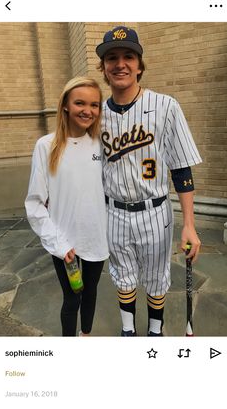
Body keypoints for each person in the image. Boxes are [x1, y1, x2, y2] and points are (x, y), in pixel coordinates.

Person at [96, 25, 202, 336]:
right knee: (122, 275)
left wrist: (190, 224)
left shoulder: (166, 106)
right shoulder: (96, 115)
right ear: (103, 68)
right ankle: (128, 329)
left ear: (140, 65)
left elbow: (181, 169)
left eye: (129, 56)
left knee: (157, 276)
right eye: (112, 58)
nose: (120, 64)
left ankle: (156, 329)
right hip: (113, 212)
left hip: (155, 212)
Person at [25, 76, 109, 336]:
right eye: (80, 103)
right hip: (64, 243)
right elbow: (35, 203)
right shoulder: (46, 146)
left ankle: (86, 335)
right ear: (65, 106)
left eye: (94, 105)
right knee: (72, 298)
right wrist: (58, 244)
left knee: (91, 292)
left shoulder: (102, 144)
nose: (88, 110)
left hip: (96, 237)